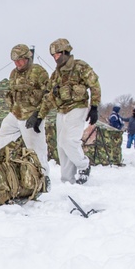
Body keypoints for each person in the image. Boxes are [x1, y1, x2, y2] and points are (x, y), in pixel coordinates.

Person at [44, 38, 100, 184]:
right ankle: (67, 179)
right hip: (61, 110)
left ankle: (83, 165)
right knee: (61, 145)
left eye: (57, 54)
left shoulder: (80, 67)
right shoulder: (56, 74)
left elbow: (94, 84)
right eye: (53, 56)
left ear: (64, 52)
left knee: (69, 140)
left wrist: (94, 106)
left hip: (78, 107)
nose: (55, 58)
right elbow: (48, 93)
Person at [0, 43, 51, 177]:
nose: (17, 63)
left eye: (20, 60)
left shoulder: (38, 72)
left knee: (36, 150)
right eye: (15, 61)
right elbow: (11, 92)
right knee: (3, 136)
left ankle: (43, 177)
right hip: (16, 113)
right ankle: (7, 170)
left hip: (32, 114)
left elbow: (49, 96)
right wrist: (12, 107)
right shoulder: (14, 73)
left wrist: (39, 115)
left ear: (27, 58)